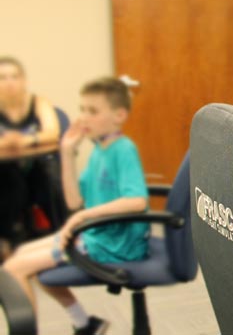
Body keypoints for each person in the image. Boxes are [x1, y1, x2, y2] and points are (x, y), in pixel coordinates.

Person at [2, 77, 150, 335]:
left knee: (14, 268)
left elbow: (137, 201)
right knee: (20, 258)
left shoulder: (123, 150)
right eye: (82, 109)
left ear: (119, 115)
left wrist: (79, 219)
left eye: (92, 111)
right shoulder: (99, 150)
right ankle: (85, 324)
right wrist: (68, 152)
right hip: (95, 234)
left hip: (113, 244)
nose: (83, 118)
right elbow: (74, 201)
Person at [0, 56, 67, 251]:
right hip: (4, 170)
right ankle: (12, 240)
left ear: (24, 80)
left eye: (14, 76)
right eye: (3, 77)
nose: (9, 82)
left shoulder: (38, 102)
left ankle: (64, 233)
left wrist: (22, 141)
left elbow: (53, 132)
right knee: (10, 178)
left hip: (36, 165)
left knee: (50, 175)